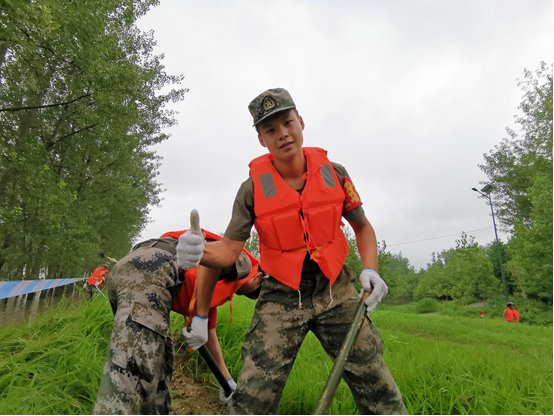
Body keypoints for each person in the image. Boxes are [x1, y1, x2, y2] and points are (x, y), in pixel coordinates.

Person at [176, 88, 407, 414]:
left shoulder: (335, 173)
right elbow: (227, 252)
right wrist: (199, 253)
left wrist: (370, 268)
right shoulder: (252, 188)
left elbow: (363, 227)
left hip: (336, 290)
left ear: (300, 121)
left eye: (287, 122)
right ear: (261, 139)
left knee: (378, 385)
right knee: (251, 399)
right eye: (271, 129)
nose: (282, 133)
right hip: (281, 293)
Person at [93, 229, 261, 415]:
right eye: (253, 293)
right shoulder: (245, 263)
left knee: (158, 370)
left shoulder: (213, 286)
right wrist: (202, 315)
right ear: (258, 277)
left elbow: (209, 333)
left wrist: (227, 381)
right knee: (129, 382)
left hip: (128, 271)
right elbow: (214, 260)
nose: (247, 295)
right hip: (150, 271)